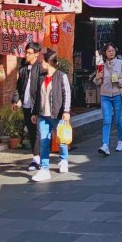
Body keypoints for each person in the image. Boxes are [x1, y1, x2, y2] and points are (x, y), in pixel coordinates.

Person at [31, 47, 72, 181]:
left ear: (49, 62)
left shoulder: (61, 76)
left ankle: (63, 160)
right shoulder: (41, 77)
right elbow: (37, 96)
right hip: (43, 115)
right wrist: (35, 112)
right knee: (44, 141)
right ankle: (44, 168)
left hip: (57, 114)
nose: (41, 63)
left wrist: (66, 111)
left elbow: (67, 94)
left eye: (43, 61)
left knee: (61, 139)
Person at [96, 42, 122, 156]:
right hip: (105, 95)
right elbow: (98, 82)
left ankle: (121, 141)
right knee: (106, 120)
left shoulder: (120, 63)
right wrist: (98, 78)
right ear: (105, 53)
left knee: (118, 119)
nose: (111, 52)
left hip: (117, 95)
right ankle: (105, 145)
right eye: (109, 51)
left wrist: (119, 81)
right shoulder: (102, 65)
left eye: (113, 50)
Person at [15, 41, 43, 172]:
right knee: (32, 132)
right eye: (26, 52)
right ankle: (36, 156)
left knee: (38, 132)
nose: (27, 55)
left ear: (37, 54)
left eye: (30, 53)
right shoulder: (23, 69)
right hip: (26, 105)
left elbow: (40, 90)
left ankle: (38, 158)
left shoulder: (41, 69)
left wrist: (37, 108)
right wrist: (16, 101)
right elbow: (18, 87)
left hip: (37, 106)